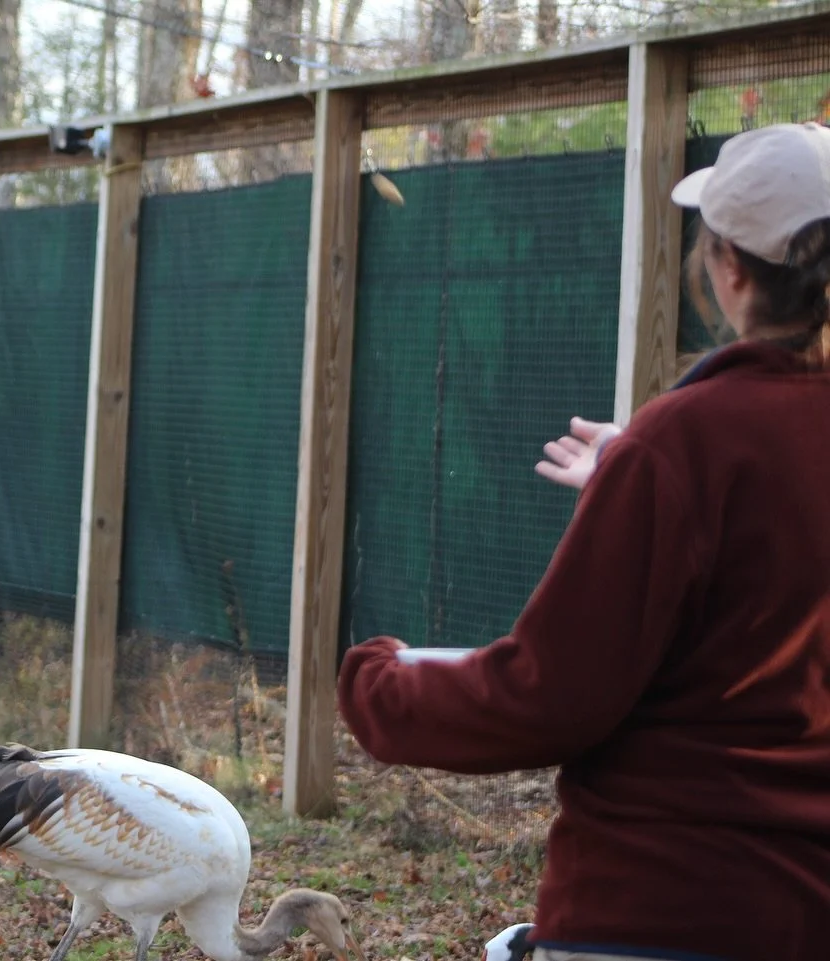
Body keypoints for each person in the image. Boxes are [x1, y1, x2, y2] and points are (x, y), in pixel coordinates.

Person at [336, 121, 830, 961]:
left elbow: (549, 697)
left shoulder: (686, 442)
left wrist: (375, 686)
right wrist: (629, 474)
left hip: (662, 915)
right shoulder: (683, 453)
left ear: (730, 267)